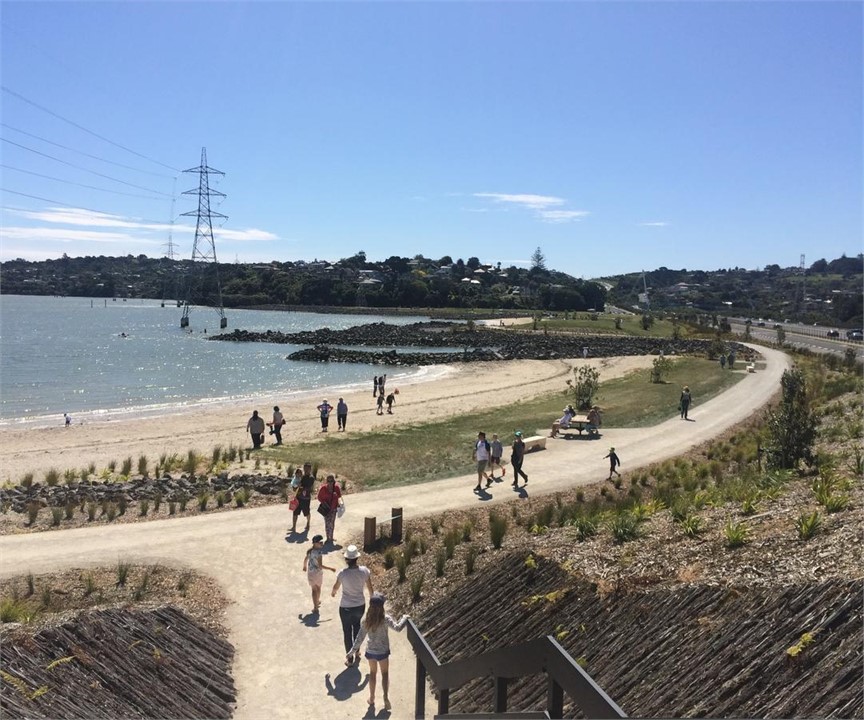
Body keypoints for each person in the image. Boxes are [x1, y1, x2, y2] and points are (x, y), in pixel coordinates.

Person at [347, 592, 408, 710]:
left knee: (372, 673)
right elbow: (398, 628)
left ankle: (372, 698)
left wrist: (351, 652)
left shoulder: (366, 620)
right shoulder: (385, 619)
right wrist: (405, 618)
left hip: (371, 652)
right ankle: (385, 696)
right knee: (385, 674)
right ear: (382, 606)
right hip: (383, 652)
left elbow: (360, 638)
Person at [331, 545, 373, 666]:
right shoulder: (364, 571)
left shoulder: (343, 574)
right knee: (357, 628)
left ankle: (350, 659)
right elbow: (370, 588)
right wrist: (373, 601)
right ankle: (357, 651)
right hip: (360, 605)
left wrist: (333, 593)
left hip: (345, 607)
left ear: (347, 560)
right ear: (357, 559)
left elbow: (335, 587)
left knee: (347, 632)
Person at [303, 534, 335, 613]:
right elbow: (320, 566)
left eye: (322, 542)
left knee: (314, 590)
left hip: (311, 573)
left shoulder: (309, 551)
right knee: (318, 588)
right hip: (318, 573)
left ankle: (315, 606)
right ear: (315, 543)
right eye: (320, 542)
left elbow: (306, 559)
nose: (322, 544)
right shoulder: (319, 553)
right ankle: (316, 604)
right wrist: (330, 568)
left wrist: (304, 566)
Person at [317, 474, 343, 543]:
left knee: (332, 523)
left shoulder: (336, 488)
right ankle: (328, 537)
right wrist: (324, 503)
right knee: (327, 523)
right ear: (326, 481)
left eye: (331, 481)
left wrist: (340, 504)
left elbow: (339, 496)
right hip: (326, 508)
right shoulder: (323, 488)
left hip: (334, 509)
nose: (330, 482)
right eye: (329, 481)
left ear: (333, 481)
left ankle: (331, 537)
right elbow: (319, 497)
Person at [291, 462, 315, 534]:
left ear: (310, 469)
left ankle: (308, 523)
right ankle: (294, 526)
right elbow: (297, 484)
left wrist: (300, 487)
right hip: (298, 497)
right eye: (305, 468)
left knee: (307, 512)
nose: (306, 470)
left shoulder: (311, 478)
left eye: (308, 468)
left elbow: (307, 487)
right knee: (295, 512)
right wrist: (295, 487)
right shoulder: (301, 476)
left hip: (306, 498)